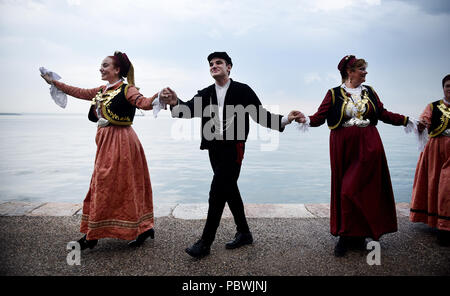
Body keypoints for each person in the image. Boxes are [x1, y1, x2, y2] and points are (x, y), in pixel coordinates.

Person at [160, 52, 302, 258]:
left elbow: (261, 116)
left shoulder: (243, 91)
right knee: (230, 190)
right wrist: (174, 102)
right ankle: (244, 233)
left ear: (229, 67)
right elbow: (186, 110)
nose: (214, 66)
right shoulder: (206, 93)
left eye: (219, 63)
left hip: (234, 148)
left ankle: (205, 243)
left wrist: (286, 119)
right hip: (213, 149)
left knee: (216, 193)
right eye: (211, 64)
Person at [296, 55, 413, 257]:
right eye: (361, 69)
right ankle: (348, 235)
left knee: (359, 190)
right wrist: (304, 118)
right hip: (343, 147)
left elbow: (383, 113)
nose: (365, 72)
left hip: (369, 145)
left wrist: (406, 120)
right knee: (345, 189)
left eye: (365, 69)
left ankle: (357, 234)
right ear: (349, 72)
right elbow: (319, 118)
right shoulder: (333, 94)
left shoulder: (370, 92)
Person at [41, 51, 160, 249]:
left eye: (105, 65)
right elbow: (77, 91)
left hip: (122, 143)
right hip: (105, 143)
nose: (101, 68)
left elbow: (144, 103)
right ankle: (130, 229)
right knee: (108, 184)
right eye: (101, 65)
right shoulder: (102, 90)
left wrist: (159, 96)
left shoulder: (127, 89)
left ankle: (97, 235)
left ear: (117, 69)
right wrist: (53, 81)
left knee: (113, 184)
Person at [410, 74, 450, 246]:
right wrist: (420, 125)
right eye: (448, 85)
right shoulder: (433, 106)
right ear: (443, 88)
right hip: (436, 150)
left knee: (446, 186)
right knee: (437, 185)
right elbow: (424, 122)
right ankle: (442, 226)